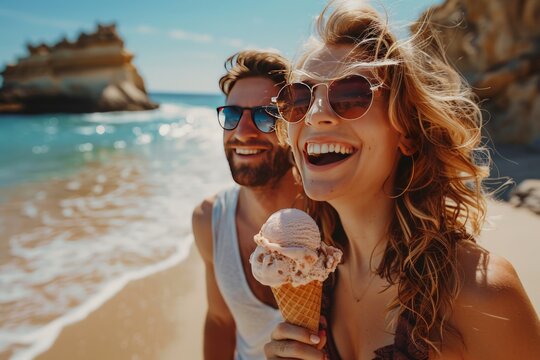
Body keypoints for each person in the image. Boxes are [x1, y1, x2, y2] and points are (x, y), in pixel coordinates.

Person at [264, 1, 540, 359]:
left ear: (407, 132)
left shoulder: (482, 292)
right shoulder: (312, 273)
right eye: (298, 98)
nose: (316, 115)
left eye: (351, 95)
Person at [192, 50, 304, 360]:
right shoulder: (209, 219)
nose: (242, 133)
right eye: (231, 115)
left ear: (294, 126)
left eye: (265, 116)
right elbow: (219, 320)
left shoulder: (335, 213)